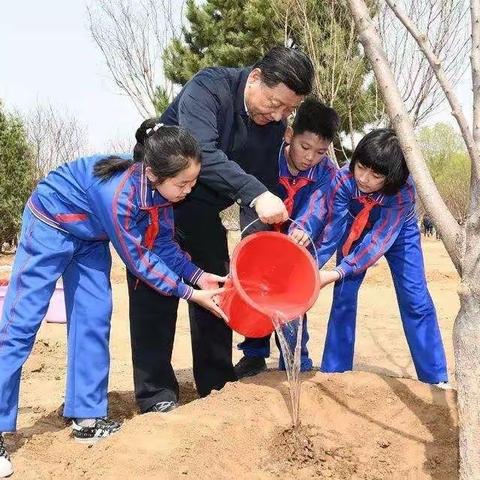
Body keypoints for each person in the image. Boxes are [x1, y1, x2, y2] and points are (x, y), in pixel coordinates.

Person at [0, 121, 225, 478]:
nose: (189, 190)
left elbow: (164, 245)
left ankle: (86, 418)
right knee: (20, 323)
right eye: (183, 183)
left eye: (193, 181)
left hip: (89, 237)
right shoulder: (118, 193)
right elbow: (140, 261)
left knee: (94, 318)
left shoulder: (163, 195)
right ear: (152, 173)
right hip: (50, 222)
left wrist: (199, 275)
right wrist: (190, 294)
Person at [127, 46, 315, 414]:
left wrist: (263, 236)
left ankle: (215, 384)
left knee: (218, 286)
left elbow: (258, 181)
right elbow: (203, 153)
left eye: (287, 110)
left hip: (201, 212)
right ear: (257, 77)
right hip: (157, 203)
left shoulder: (273, 125)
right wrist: (257, 194)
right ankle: (156, 394)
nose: (278, 115)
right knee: (155, 290)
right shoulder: (209, 88)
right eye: (274, 103)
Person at [295, 129, 448, 386]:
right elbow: (333, 228)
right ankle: (336, 372)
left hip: (398, 233)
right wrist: (312, 267)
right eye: (361, 167)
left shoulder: (403, 193)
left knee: (415, 298)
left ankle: (435, 378)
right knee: (344, 294)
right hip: (355, 226)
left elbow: (377, 241)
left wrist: (339, 271)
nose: (364, 179)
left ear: (393, 178)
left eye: (376, 175)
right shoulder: (344, 178)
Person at [234, 97, 340, 378]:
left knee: (291, 293)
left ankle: (295, 358)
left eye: (320, 151)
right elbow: (250, 193)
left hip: (297, 241)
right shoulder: (267, 154)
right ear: (290, 135)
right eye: (305, 147)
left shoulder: (327, 172)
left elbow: (319, 204)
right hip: (261, 228)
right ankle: (254, 354)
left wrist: (305, 226)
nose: (310, 157)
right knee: (256, 285)